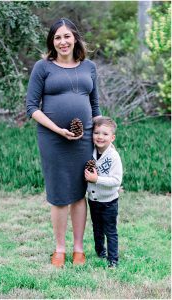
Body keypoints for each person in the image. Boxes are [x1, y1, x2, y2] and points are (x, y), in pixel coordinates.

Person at [26, 18, 101, 267]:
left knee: (79, 193)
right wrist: (58, 129)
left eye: (67, 36)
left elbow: (95, 106)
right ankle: (59, 249)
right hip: (52, 139)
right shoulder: (43, 67)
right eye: (57, 37)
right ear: (52, 41)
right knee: (59, 194)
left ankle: (78, 249)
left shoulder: (89, 67)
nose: (63, 41)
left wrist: (103, 137)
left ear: (75, 38)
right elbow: (31, 108)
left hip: (84, 138)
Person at [84, 117, 123, 268]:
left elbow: (116, 181)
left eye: (105, 134)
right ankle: (100, 251)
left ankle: (113, 260)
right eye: (96, 133)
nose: (100, 137)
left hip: (109, 202)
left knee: (110, 231)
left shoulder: (113, 157)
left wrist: (96, 179)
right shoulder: (91, 152)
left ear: (112, 137)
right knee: (97, 227)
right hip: (93, 199)